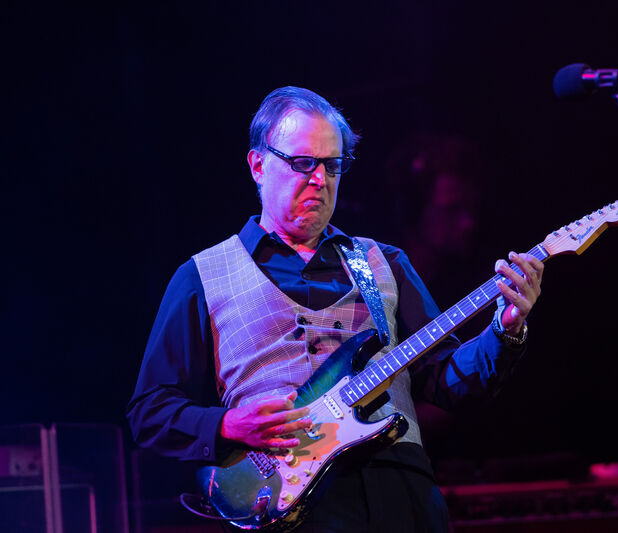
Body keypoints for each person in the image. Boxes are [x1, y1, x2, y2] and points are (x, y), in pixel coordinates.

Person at [127, 86, 544, 533]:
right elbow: (150, 412)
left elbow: (447, 381)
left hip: (400, 496)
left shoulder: (385, 263)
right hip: (285, 508)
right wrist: (228, 424)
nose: (320, 179)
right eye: (303, 163)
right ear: (258, 165)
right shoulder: (201, 276)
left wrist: (505, 330)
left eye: (332, 165)